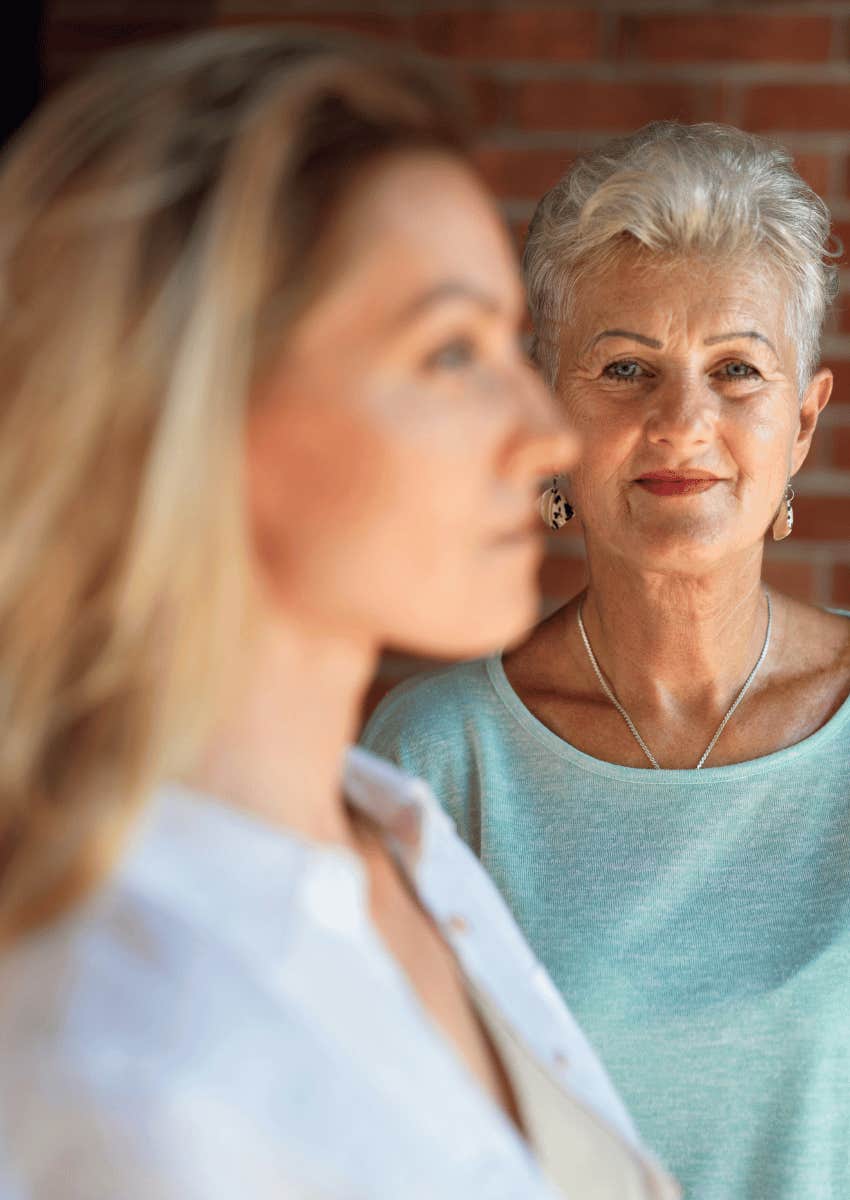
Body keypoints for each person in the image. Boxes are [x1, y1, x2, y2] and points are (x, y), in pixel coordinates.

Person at [0, 28, 678, 1200]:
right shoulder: (118, 1067)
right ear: (192, 410)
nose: (547, 435)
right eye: (450, 352)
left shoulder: (396, 834)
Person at [363, 120, 850, 1200]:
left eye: (737, 370)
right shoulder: (435, 761)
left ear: (802, 427)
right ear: (552, 412)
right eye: (626, 367)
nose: (683, 422)